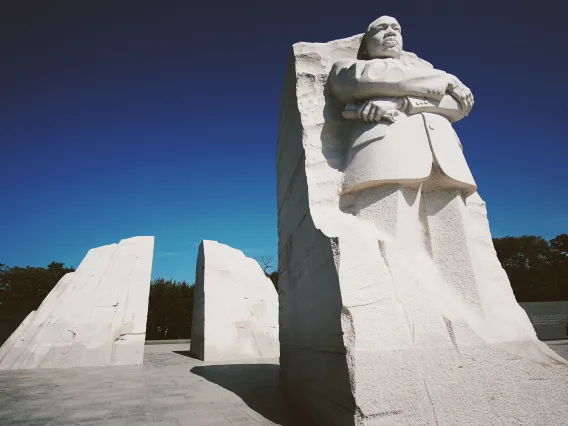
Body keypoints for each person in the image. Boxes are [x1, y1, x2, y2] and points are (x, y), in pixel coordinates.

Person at [329, 16, 483, 309]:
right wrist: (447, 80)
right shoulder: (352, 67)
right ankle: (403, 315)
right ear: (366, 43)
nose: (391, 32)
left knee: (458, 256)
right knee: (390, 243)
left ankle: (468, 319)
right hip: (386, 157)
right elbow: (365, 83)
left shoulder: (422, 73)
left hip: (444, 156)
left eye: (397, 29)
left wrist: (402, 103)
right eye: (381, 28)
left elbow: (459, 106)